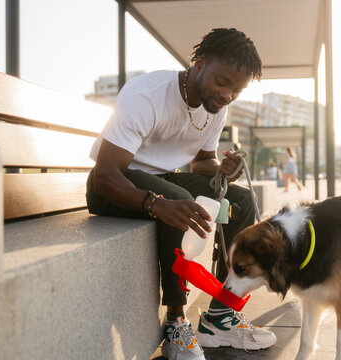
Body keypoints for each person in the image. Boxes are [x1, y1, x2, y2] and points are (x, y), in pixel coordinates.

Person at [86, 28, 276, 360]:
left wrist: (222, 172)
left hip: (165, 180)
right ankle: (176, 320)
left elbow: (203, 161)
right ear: (199, 63)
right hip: (115, 185)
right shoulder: (146, 95)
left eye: (237, 90)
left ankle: (221, 315)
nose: (228, 95)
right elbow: (105, 176)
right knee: (177, 199)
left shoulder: (216, 107)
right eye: (222, 82)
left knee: (241, 200)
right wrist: (155, 204)